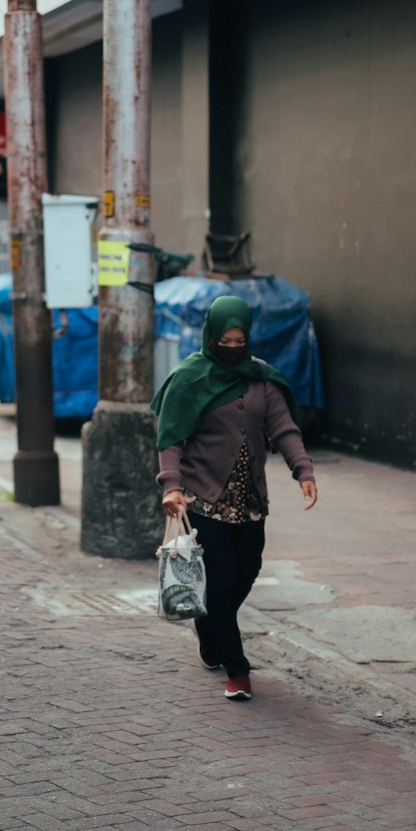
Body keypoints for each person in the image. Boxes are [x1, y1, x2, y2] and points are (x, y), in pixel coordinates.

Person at [151, 295, 318, 701]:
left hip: (249, 502)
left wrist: (303, 470)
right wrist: (171, 484)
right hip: (203, 501)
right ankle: (237, 670)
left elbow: (284, 428)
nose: (231, 348)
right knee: (220, 582)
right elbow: (171, 435)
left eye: (239, 341)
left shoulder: (261, 378)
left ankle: (209, 630)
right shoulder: (190, 377)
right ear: (211, 337)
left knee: (246, 572)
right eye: (224, 342)